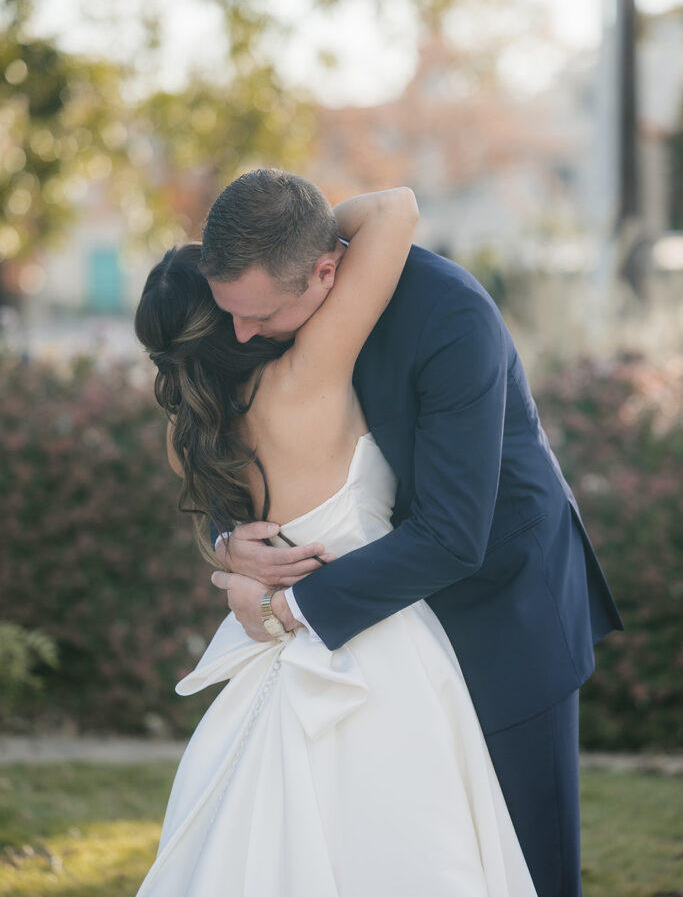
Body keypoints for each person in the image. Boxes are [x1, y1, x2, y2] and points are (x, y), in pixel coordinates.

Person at [201, 169, 623, 897]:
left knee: (526, 869)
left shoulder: (449, 314)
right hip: (379, 634)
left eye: (258, 316)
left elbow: (453, 534)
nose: (238, 335)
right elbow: (238, 428)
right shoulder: (260, 308)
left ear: (325, 271)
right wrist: (227, 536)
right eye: (230, 315)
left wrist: (282, 609)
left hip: (503, 612)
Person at [134, 181, 539, 896]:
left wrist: (228, 550)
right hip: (382, 641)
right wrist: (307, 236)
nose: (245, 330)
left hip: (278, 649)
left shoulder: (187, 436)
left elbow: (231, 520)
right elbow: (394, 208)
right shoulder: (308, 376)